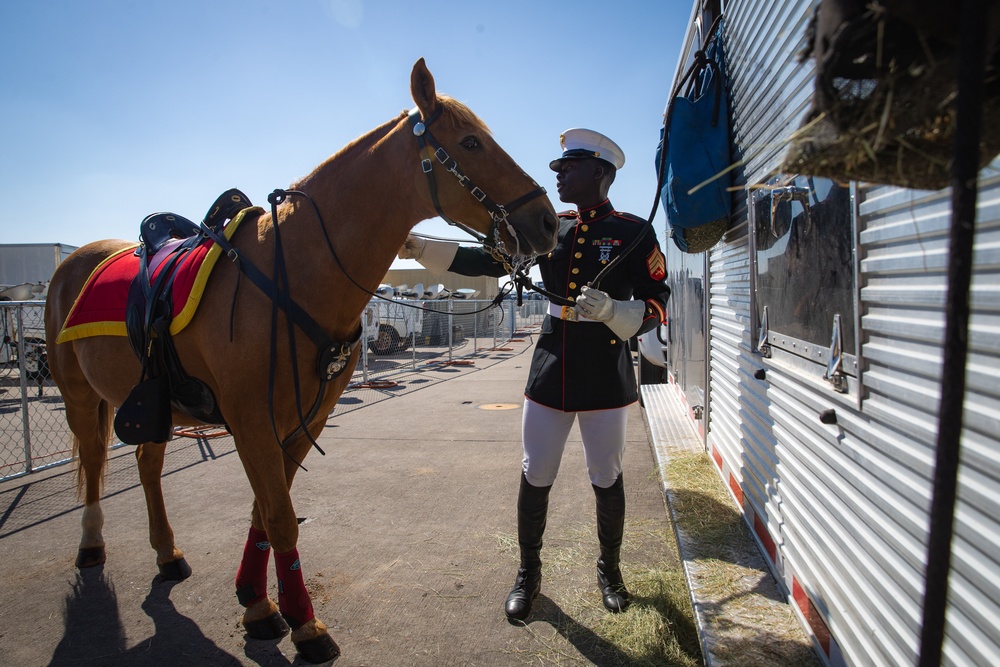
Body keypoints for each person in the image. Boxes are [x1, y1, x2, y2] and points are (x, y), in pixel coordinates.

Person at [399, 128, 669, 621]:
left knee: (606, 476)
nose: (559, 173)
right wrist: (422, 249)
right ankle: (528, 574)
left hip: (606, 372)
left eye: (571, 166)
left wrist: (617, 312)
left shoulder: (633, 233)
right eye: (560, 167)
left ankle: (610, 570)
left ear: (601, 173)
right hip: (551, 367)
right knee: (535, 473)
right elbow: (489, 259)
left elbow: (658, 302)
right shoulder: (551, 227)